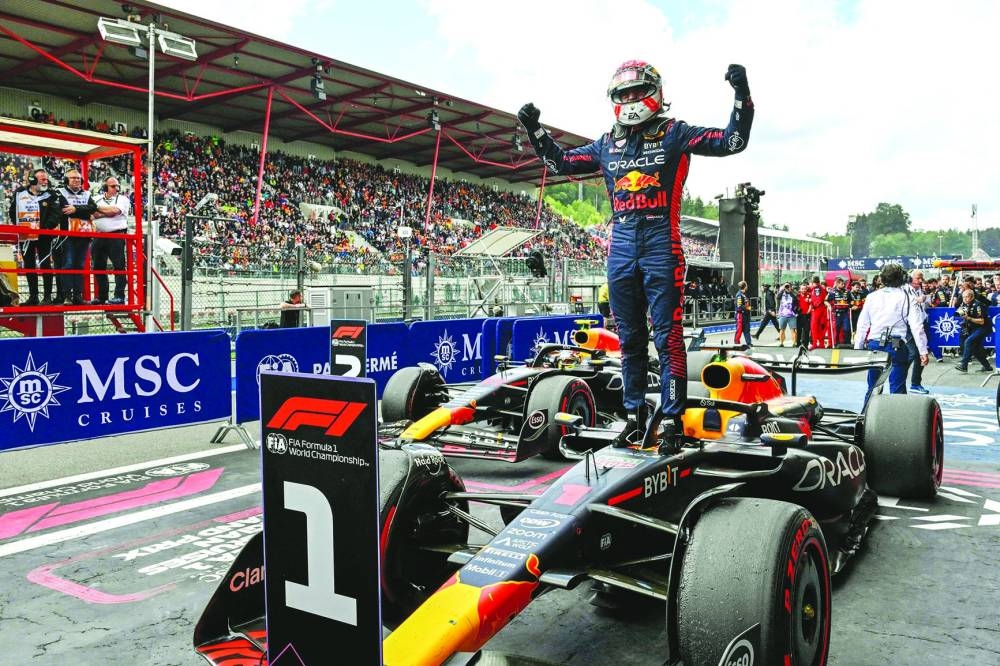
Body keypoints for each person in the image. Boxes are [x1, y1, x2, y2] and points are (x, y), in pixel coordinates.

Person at [518, 60, 753, 444]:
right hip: (622, 245)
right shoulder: (606, 143)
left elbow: (732, 141)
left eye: (635, 92)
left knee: (668, 337)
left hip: (663, 241)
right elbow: (561, 162)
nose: (629, 100)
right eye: (623, 94)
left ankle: (673, 420)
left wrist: (741, 95)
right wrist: (535, 131)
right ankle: (634, 414)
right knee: (628, 337)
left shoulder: (675, 132)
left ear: (654, 92)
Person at [854, 263, 928, 401]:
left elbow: (862, 325)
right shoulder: (907, 297)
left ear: (882, 278)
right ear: (903, 278)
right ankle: (897, 421)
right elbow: (917, 326)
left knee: (873, 388)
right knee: (897, 390)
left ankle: (865, 419)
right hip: (896, 345)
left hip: (875, 344)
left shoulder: (872, 296)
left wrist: (858, 349)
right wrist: (923, 350)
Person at [9, 168, 58, 305]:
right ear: (32, 180)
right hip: (25, 235)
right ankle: (33, 297)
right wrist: (19, 226)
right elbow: (13, 211)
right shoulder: (19, 193)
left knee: (45, 265)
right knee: (29, 265)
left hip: (44, 236)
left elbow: (55, 214)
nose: (45, 181)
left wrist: (45, 228)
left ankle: (47, 297)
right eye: (42, 179)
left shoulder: (51, 194)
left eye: (46, 179)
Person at [53, 169, 100, 305]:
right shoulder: (60, 193)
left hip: (83, 235)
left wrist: (76, 210)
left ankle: (77, 296)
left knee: (79, 266)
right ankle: (67, 295)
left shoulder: (86, 194)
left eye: (78, 178)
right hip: (67, 236)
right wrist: (83, 212)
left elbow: (93, 208)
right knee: (67, 265)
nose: (76, 180)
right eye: (73, 178)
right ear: (66, 180)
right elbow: (63, 210)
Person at [89, 177, 130, 305]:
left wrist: (99, 211)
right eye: (113, 186)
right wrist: (106, 212)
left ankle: (119, 296)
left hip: (116, 235)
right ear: (105, 187)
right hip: (99, 235)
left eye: (118, 186)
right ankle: (102, 296)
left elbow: (115, 211)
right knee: (98, 267)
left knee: (119, 266)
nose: (116, 188)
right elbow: (92, 214)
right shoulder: (96, 198)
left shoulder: (123, 199)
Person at [904, 270, 930, 393]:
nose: (921, 280)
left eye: (922, 278)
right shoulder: (905, 290)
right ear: (910, 278)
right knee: (915, 353)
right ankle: (898, 376)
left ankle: (915, 383)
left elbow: (923, 306)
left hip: (919, 323)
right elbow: (915, 324)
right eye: (918, 278)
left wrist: (924, 299)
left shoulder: (918, 290)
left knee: (917, 354)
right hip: (906, 327)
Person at [954, 288, 993, 373]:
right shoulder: (964, 304)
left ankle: (964, 365)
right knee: (975, 349)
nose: (964, 299)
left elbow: (981, 321)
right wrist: (962, 313)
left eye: (966, 297)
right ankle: (987, 366)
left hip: (984, 327)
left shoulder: (977, 305)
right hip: (974, 328)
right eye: (963, 297)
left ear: (972, 297)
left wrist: (969, 318)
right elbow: (957, 314)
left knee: (968, 341)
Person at [828, 276, 852, 346]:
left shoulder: (847, 292)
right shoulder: (833, 292)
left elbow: (851, 301)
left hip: (845, 313)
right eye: (841, 284)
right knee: (837, 329)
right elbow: (826, 300)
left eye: (844, 284)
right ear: (837, 284)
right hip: (837, 313)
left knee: (847, 329)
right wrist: (829, 306)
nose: (843, 285)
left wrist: (851, 305)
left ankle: (847, 343)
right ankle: (836, 343)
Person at [808, 276, 830, 349]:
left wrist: (813, 305)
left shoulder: (817, 289)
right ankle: (821, 344)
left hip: (817, 310)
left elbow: (818, 299)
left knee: (814, 327)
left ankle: (815, 344)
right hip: (822, 310)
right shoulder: (820, 288)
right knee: (821, 327)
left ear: (813, 282)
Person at [775, 282, 799, 347]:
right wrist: (782, 289)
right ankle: (781, 343)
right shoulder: (782, 293)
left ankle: (794, 343)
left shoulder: (794, 293)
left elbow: (796, 300)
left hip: (792, 315)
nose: (787, 287)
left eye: (788, 286)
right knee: (782, 330)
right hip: (783, 314)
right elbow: (777, 297)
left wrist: (790, 292)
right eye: (786, 286)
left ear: (791, 287)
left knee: (793, 330)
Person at [734, 280, 753, 346]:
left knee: (747, 329)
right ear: (745, 286)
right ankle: (736, 343)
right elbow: (739, 307)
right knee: (739, 330)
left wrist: (748, 308)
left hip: (745, 315)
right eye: (746, 285)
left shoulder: (744, 294)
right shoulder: (739, 295)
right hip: (740, 315)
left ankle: (749, 343)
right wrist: (748, 308)